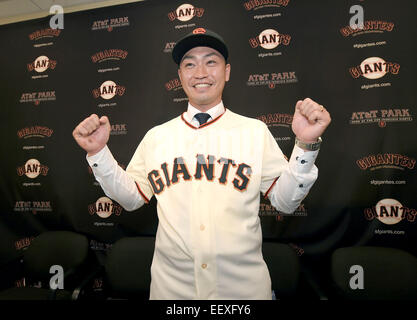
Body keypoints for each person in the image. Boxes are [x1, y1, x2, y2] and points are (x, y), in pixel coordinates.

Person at [72, 28, 331, 300]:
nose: (200, 72)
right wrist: (99, 153)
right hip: (173, 292)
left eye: (211, 62)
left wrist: (305, 145)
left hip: (241, 292)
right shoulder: (157, 137)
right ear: (180, 76)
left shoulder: (255, 131)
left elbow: (286, 201)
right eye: (189, 64)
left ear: (227, 71)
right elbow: (132, 198)